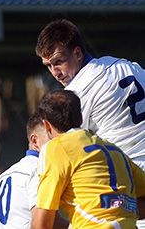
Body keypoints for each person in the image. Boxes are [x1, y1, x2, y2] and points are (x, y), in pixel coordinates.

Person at [35, 18, 145, 228]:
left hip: (128, 185)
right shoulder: (129, 66)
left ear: (77, 53)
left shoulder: (77, 93)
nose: (55, 72)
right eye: (48, 65)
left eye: (58, 61)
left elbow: (64, 148)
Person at [31, 89, 145, 229]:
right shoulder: (114, 150)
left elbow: (42, 221)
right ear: (81, 118)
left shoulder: (56, 148)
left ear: (47, 125)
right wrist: (119, 208)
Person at [0, 113, 69, 229]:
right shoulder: (39, 171)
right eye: (53, 139)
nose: (60, 145)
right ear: (34, 141)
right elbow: (41, 222)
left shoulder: (4, 177)